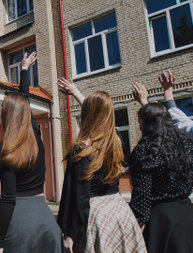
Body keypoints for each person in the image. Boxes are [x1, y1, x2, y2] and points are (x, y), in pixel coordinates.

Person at [56, 79, 146, 253]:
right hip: (119, 212)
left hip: (95, 217)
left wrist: (69, 233)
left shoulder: (80, 150)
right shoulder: (116, 142)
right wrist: (75, 92)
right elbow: (100, 115)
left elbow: (75, 196)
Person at [0, 52, 63, 253]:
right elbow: (25, 103)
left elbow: (7, 199)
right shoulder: (37, 140)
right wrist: (24, 71)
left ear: (6, 116)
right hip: (45, 220)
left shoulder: (5, 149)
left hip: (19, 223)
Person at [130, 73, 193, 253]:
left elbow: (142, 200)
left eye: (140, 122)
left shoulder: (145, 151)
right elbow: (172, 124)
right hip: (187, 217)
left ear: (143, 123)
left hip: (162, 224)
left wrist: (135, 234)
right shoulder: (184, 144)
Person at [133, 70, 193, 148]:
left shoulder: (145, 150)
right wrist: (168, 90)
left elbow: (175, 126)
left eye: (140, 121)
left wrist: (144, 102)